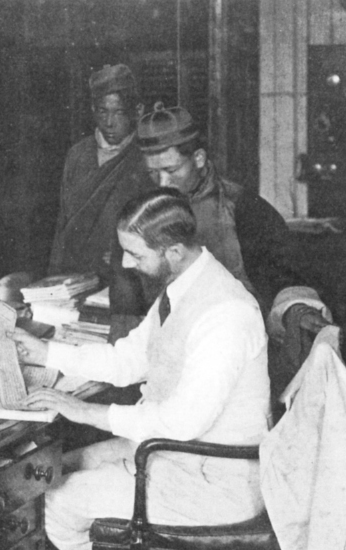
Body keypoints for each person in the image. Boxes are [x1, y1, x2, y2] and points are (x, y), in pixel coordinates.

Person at [12, 189, 272, 550]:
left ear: (173, 251)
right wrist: (45, 353)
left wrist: (85, 411)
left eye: (135, 253)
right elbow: (128, 358)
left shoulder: (227, 312)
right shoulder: (181, 291)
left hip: (218, 480)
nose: (127, 265)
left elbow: (182, 420)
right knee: (55, 469)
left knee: (55, 500)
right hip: (176, 455)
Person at [109, 103, 332, 394]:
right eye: (153, 173)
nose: (163, 183)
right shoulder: (142, 212)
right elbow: (125, 285)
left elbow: (284, 278)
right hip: (160, 353)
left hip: (230, 356)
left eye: (171, 169)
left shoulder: (242, 208)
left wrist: (296, 311)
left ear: (199, 158)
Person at [47, 63, 154, 338]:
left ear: (137, 111)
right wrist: (52, 286)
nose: (109, 122)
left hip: (124, 283)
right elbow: (63, 222)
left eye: (118, 112)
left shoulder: (145, 158)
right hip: (75, 279)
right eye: (102, 112)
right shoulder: (78, 155)